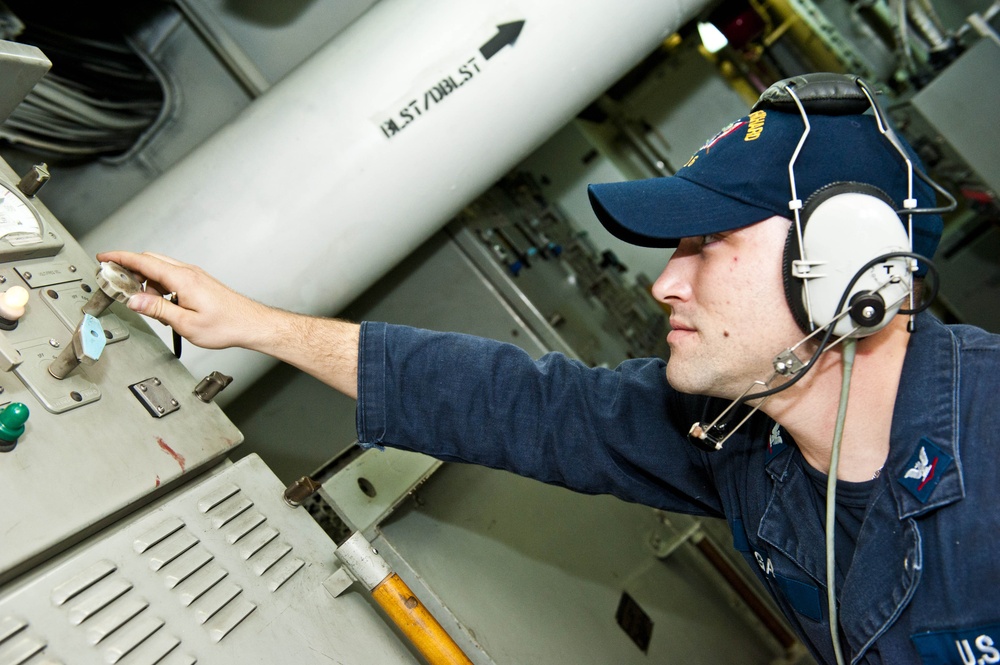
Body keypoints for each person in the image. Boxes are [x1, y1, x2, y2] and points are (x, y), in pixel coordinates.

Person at [99, 75, 999, 665]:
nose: (664, 281)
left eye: (707, 244)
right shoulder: (744, 436)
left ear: (848, 270)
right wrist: (259, 325)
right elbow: (528, 405)